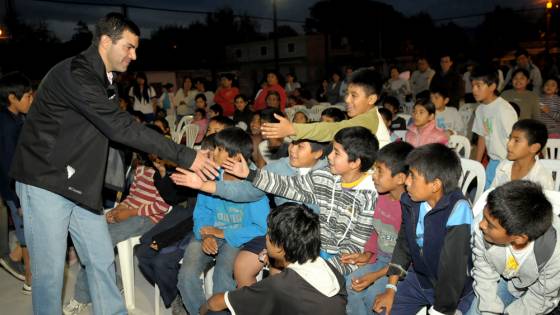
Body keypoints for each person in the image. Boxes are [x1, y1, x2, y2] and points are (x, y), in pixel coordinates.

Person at [9, 13, 216, 315]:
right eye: (129, 47)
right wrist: (187, 155)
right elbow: (120, 127)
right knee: (50, 273)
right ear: (106, 42)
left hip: (79, 184)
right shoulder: (76, 74)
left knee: (101, 258)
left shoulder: (103, 78)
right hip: (46, 183)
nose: (134, 55)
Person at [222, 126, 378, 276]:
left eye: (336, 153)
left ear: (355, 163)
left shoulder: (369, 196)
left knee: (292, 279)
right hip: (314, 248)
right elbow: (288, 186)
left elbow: (354, 248)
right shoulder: (325, 177)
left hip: (339, 262)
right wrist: (250, 174)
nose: (329, 156)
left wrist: (313, 271)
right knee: (280, 273)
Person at [64, 125, 173, 315]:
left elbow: (161, 207)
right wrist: (120, 208)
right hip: (132, 211)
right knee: (92, 233)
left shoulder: (164, 170)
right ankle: (113, 280)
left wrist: (130, 213)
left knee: (99, 242)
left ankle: (81, 297)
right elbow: (133, 195)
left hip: (150, 219)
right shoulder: (140, 168)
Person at [172, 128, 270, 315]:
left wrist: (224, 233)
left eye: (218, 149)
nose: (212, 153)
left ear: (234, 156)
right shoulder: (211, 175)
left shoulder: (254, 183)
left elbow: (261, 227)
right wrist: (206, 233)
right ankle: (199, 311)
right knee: (186, 277)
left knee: (223, 276)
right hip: (209, 232)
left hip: (238, 238)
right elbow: (201, 212)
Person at [374, 143, 474, 315]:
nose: (406, 181)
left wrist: (438, 311)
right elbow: (404, 242)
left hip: (454, 292)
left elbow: (453, 271)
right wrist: (391, 287)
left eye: (412, 176)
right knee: (384, 310)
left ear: (435, 185)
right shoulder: (410, 201)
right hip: (421, 278)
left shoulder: (458, 210)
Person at [200, 203, 348, 315]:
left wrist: (203, 308)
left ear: (280, 247)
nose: (265, 237)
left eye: (269, 236)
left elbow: (217, 303)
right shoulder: (329, 269)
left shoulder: (280, 285)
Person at [467, 180, 560, 315]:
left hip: (542, 290)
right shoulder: (485, 226)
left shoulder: (554, 252)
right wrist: (488, 310)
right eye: (484, 216)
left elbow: (541, 298)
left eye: (490, 225)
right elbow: (484, 272)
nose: (481, 224)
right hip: (506, 279)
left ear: (520, 238)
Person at [345, 142, 413, 315]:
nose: (374, 176)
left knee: (373, 296)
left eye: (379, 171)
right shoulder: (381, 198)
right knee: (351, 283)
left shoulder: (410, 209)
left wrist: (375, 276)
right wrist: (367, 254)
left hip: (400, 269)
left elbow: (408, 256)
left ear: (400, 178)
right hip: (381, 259)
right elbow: (376, 231)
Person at [260, 68, 391, 148]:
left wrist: (293, 128)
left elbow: (334, 129)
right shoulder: (366, 116)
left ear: (371, 99)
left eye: (354, 95)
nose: (347, 99)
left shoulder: (369, 119)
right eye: (347, 94)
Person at [0, 72, 33, 293]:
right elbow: (7, 165)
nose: (31, 100)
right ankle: (31, 281)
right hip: (13, 188)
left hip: (14, 186)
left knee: (26, 234)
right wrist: (17, 199)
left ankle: (11, 258)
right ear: (13, 97)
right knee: (27, 236)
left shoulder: (14, 117)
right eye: (28, 96)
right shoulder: (6, 125)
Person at [471, 65, 518, 189]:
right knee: (484, 194)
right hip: (493, 161)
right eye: (473, 86)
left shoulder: (504, 109)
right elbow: (482, 137)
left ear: (492, 86)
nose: (474, 90)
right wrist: (477, 164)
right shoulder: (480, 109)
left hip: (508, 162)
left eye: (479, 86)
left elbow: (515, 139)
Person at [491, 119, 554, 190]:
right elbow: (491, 194)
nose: (509, 144)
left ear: (534, 148)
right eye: (510, 138)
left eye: (516, 141)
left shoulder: (542, 180)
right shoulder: (503, 166)